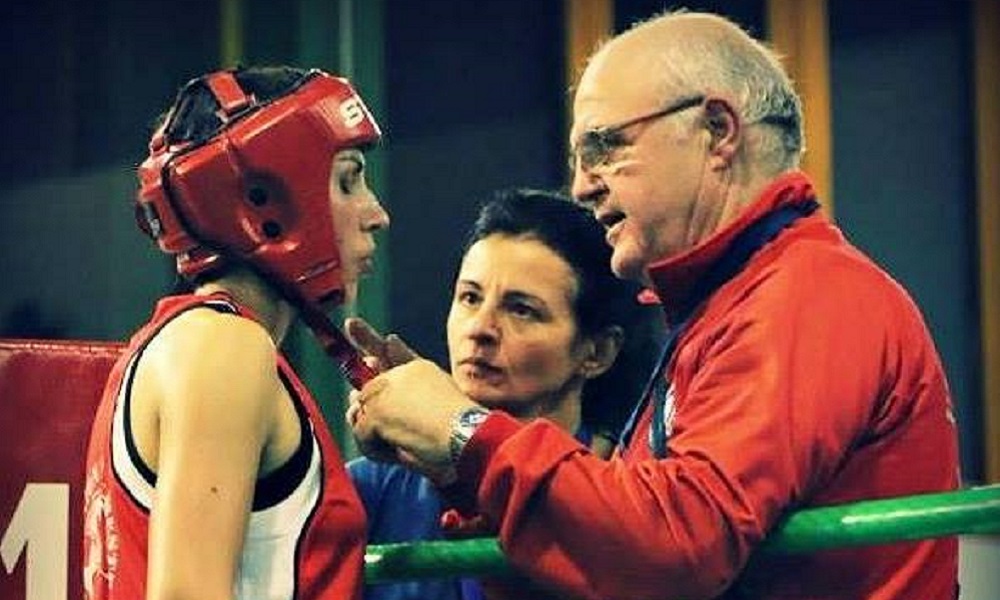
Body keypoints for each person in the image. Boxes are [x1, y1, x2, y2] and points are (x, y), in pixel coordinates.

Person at [348, 10, 960, 600]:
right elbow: (619, 572)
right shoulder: (727, 307)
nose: (584, 184)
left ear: (717, 132)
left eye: (607, 146)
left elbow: (678, 548)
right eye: (579, 159)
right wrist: (454, 467)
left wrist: (461, 431)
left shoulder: (808, 290)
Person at [83, 65, 390, 600]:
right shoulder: (223, 349)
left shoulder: (183, 346)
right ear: (266, 202)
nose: (375, 214)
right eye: (348, 179)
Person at [347, 188, 662, 600]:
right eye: (470, 298)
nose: (480, 328)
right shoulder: (368, 490)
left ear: (597, 352)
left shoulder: (620, 498)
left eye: (521, 309)